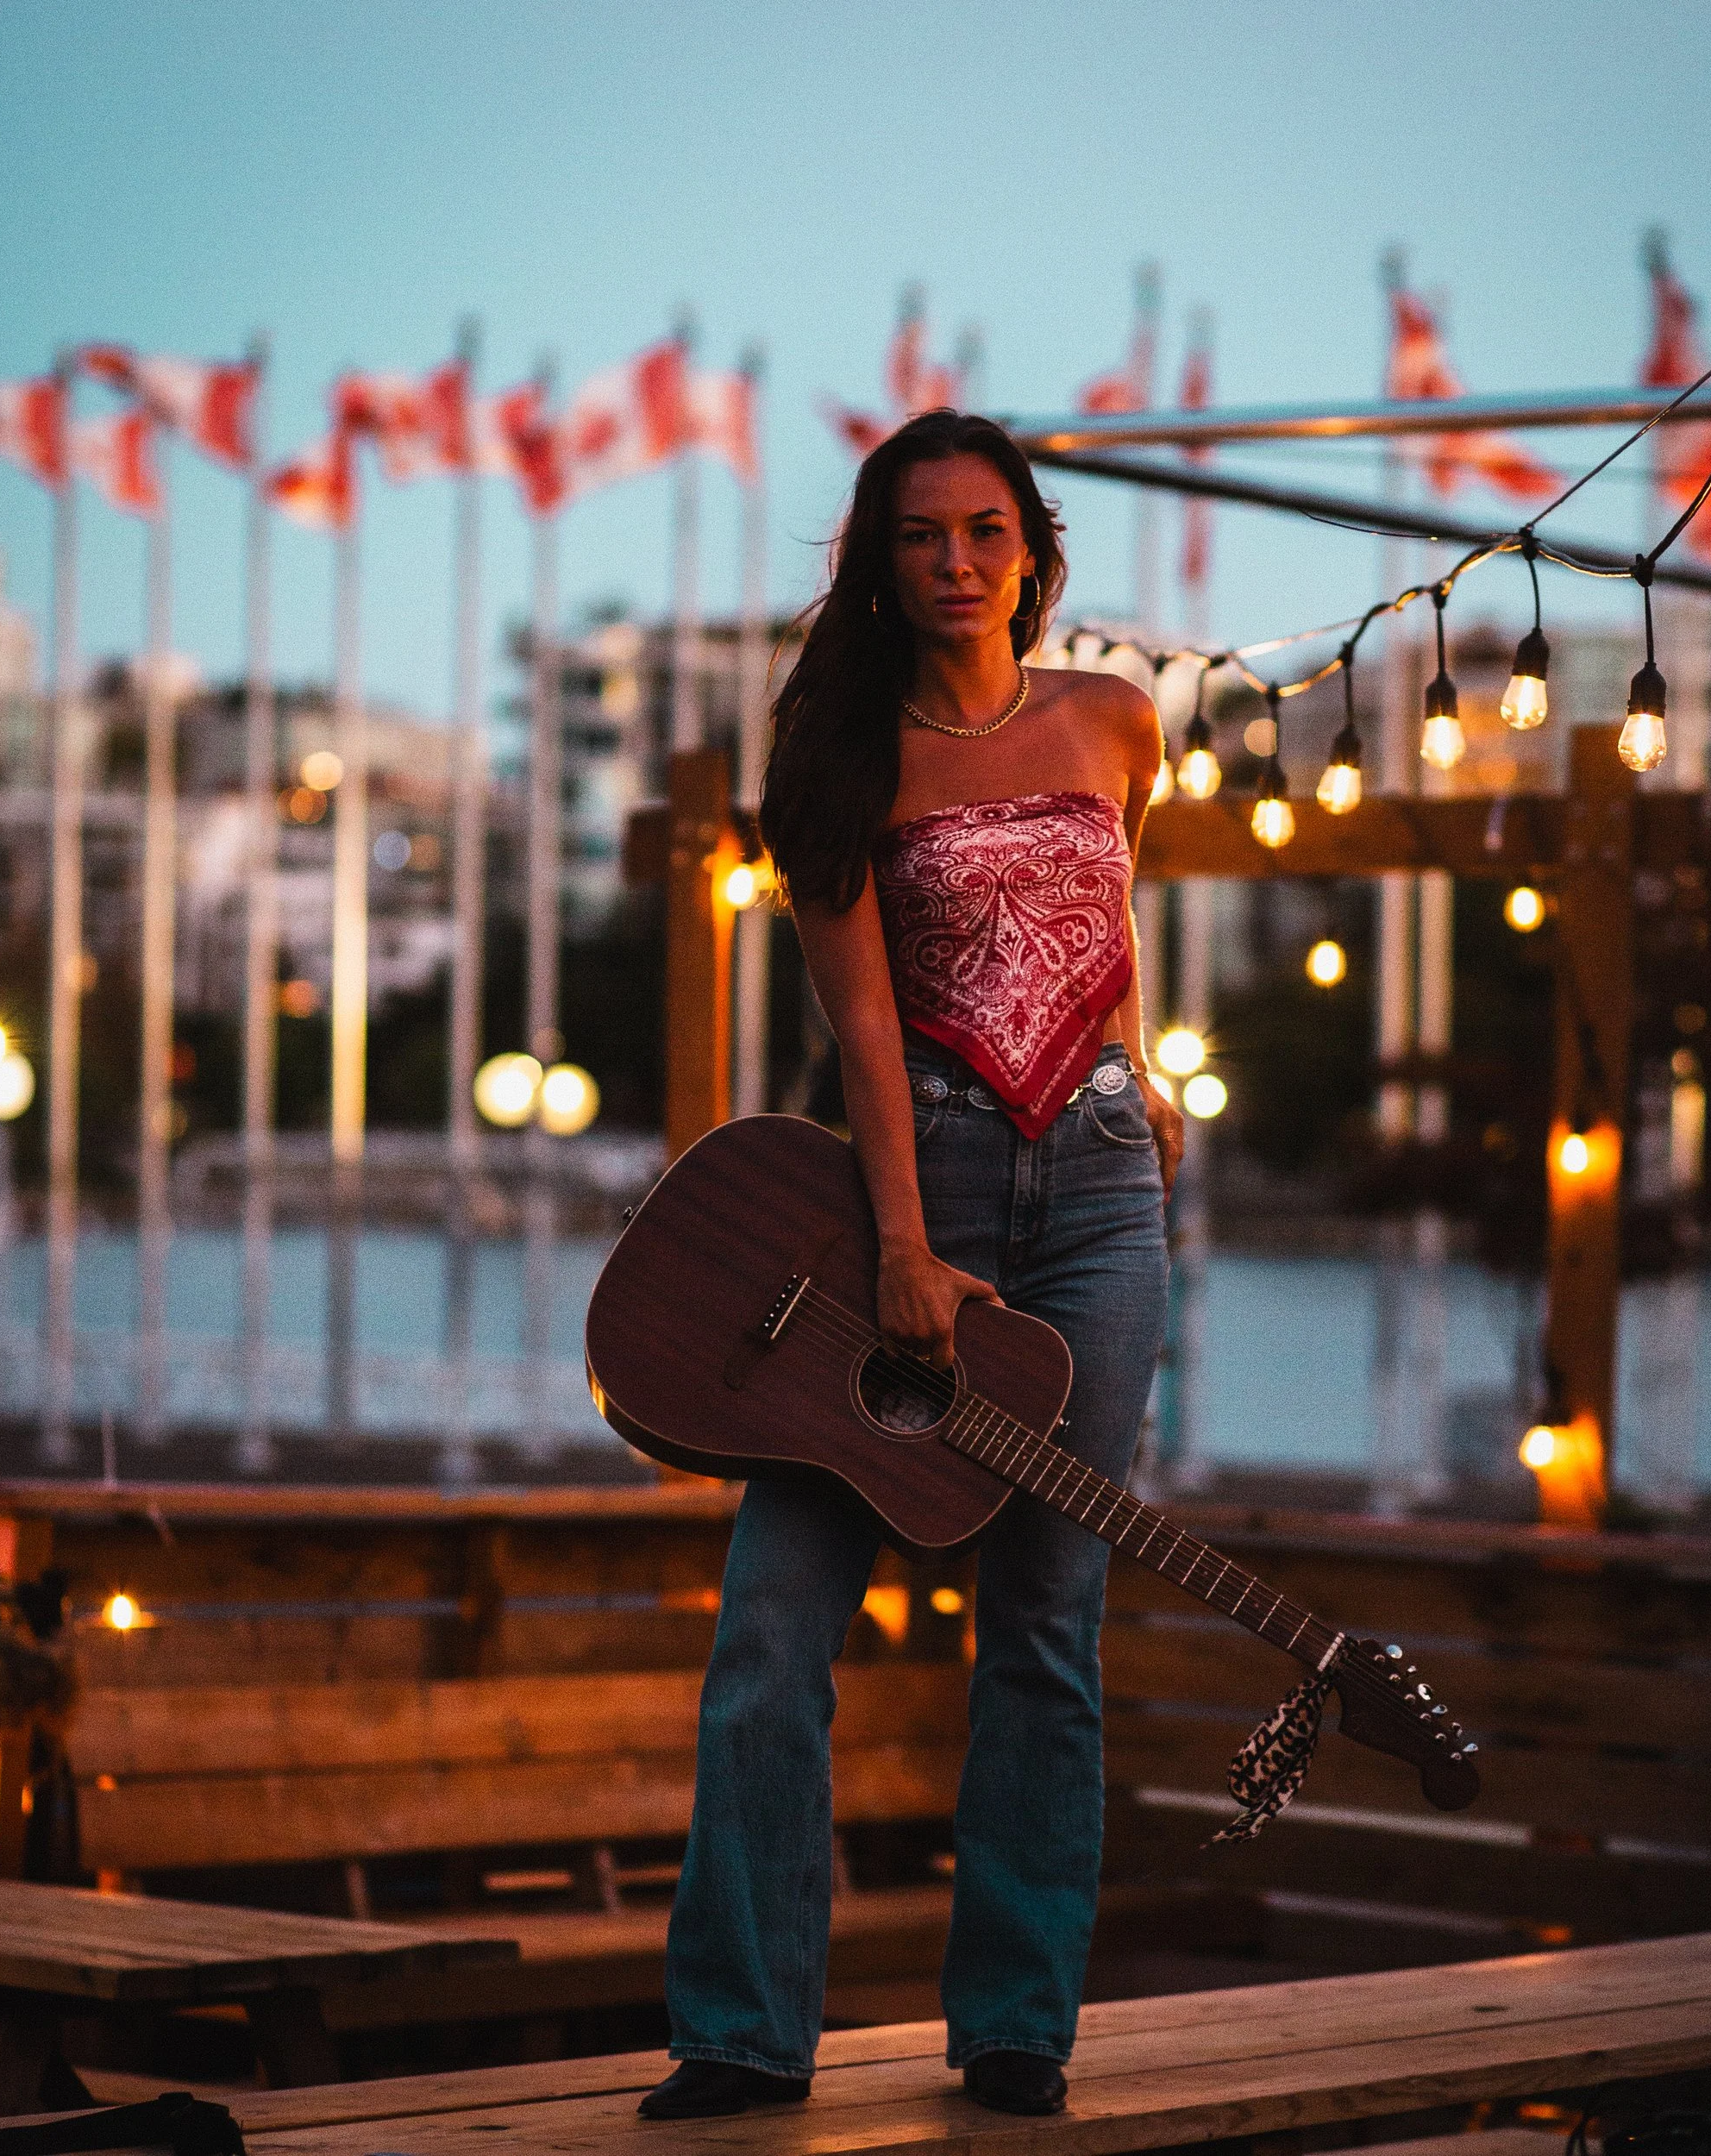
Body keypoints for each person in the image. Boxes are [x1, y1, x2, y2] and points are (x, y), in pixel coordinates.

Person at [639, 410, 1181, 2123]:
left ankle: (1017, 2026)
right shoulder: (839, 760)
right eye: (919, 535)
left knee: (1045, 1629)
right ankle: (740, 2034)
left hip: (1101, 1206)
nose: (955, 561)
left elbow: (1110, 924)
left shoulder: (1118, 721)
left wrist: (1146, 1081)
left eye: (983, 530)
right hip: (911, 1192)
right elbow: (863, 1030)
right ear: (881, 565)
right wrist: (900, 1246)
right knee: (770, 1631)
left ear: (1033, 550)